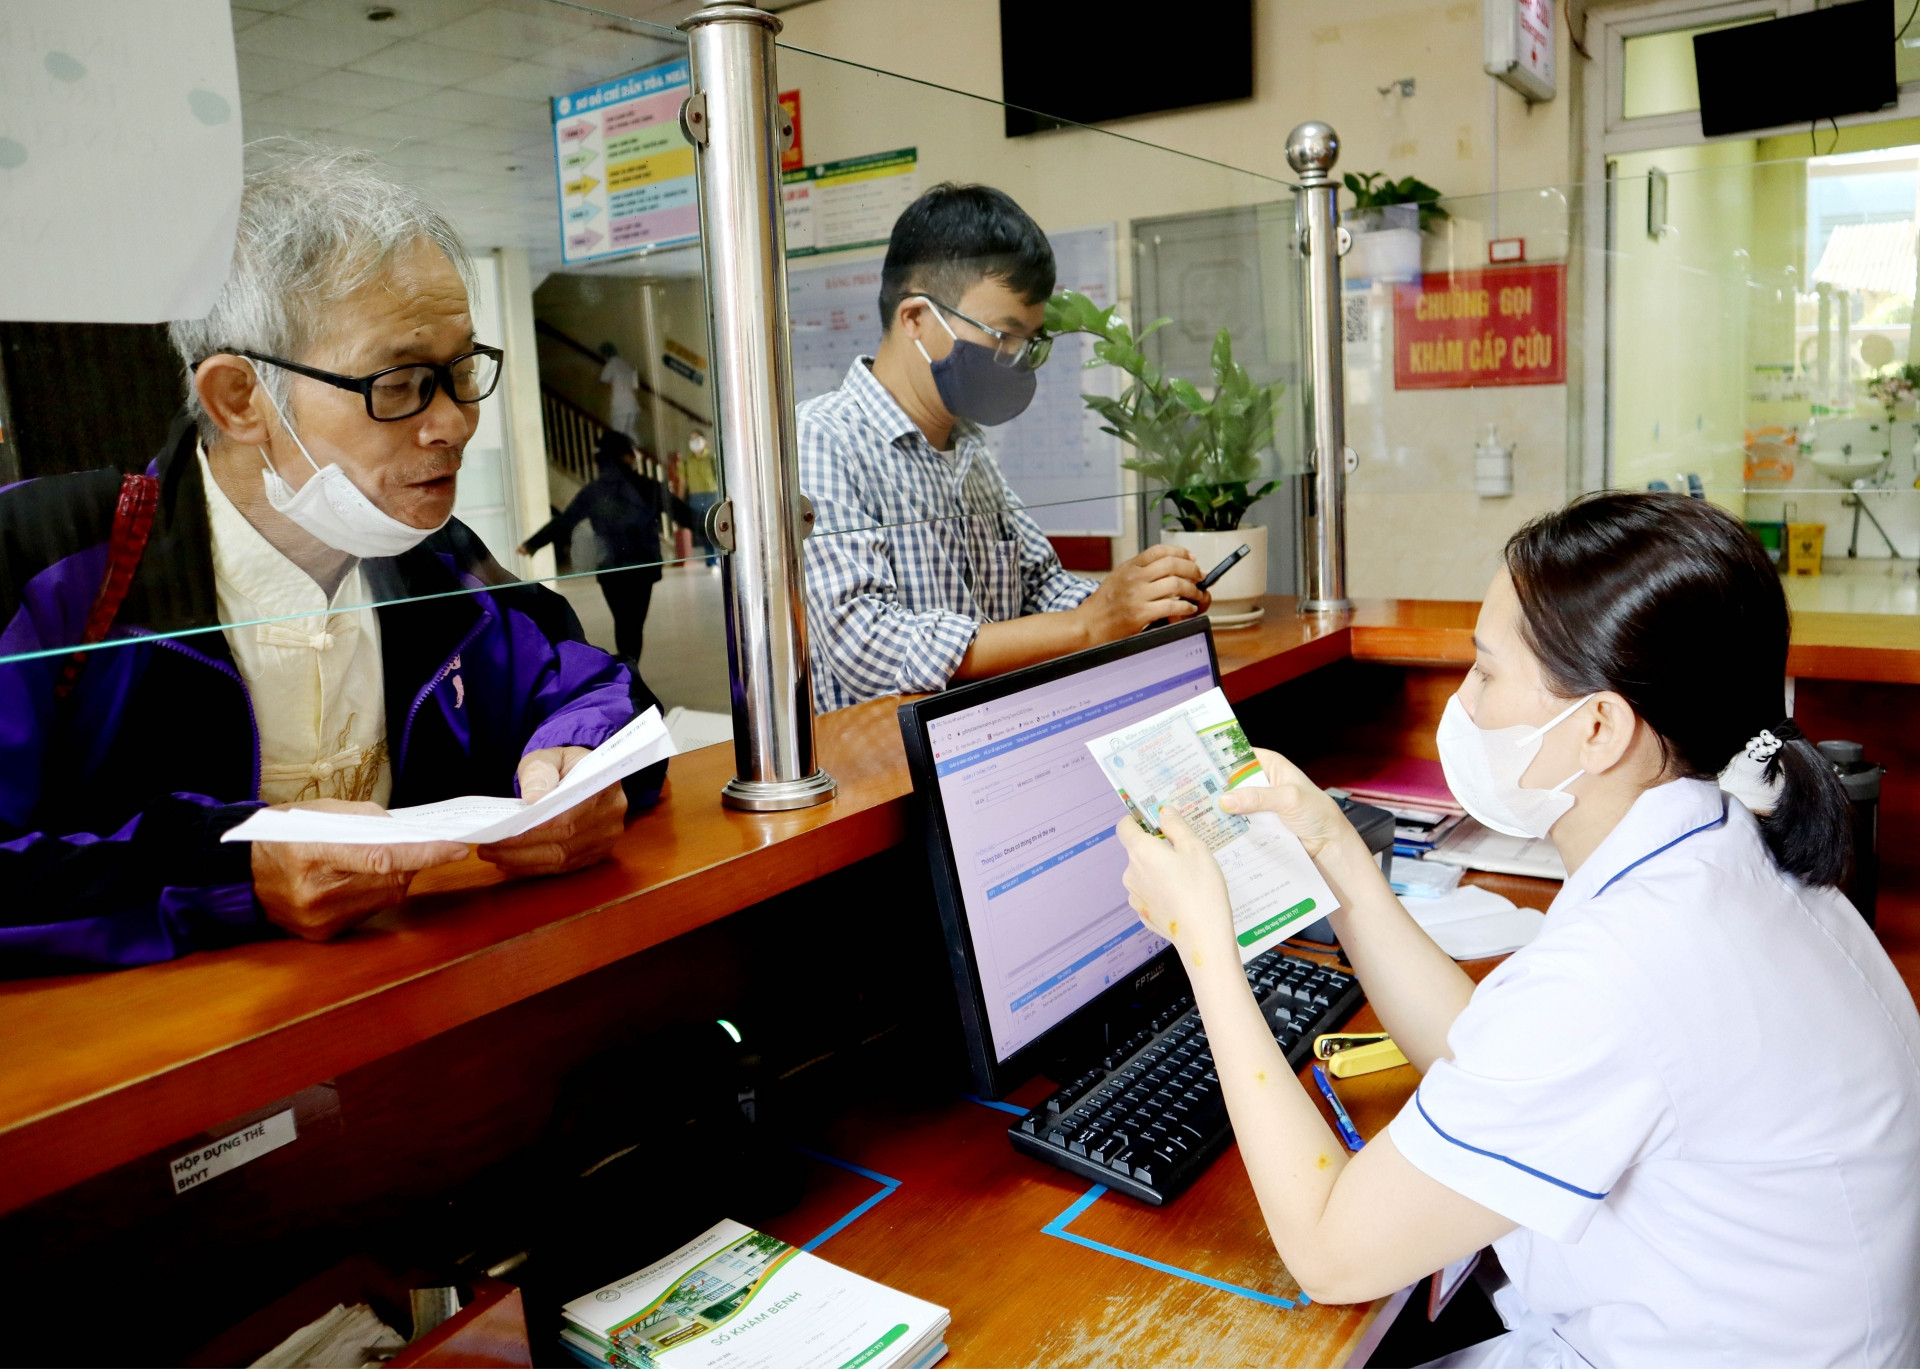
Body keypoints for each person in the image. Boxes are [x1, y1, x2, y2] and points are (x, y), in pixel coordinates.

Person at [1116, 492, 1920, 1366]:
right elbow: (1489, 1056)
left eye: (1486, 674)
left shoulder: (1627, 967)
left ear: (1602, 725)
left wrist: (1206, 945)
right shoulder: (1731, 843)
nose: (1462, 704)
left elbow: (1328, 1250)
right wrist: (1337, 858)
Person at [0, 148, 668, 973]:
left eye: (462, 371)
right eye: (399, 383)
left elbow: (602, 690)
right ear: (240, 398)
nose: (455, 423)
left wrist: (582, 767)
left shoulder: (437, 560)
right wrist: (234, 873)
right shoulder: (49, 559)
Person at [798, 182, 1209, 711]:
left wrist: (1138, 601)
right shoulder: (823, 440)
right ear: (916, 319)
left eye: (1028, 343)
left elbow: (1040, 588)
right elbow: (869, 647)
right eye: (1002, 335)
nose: (1014, 359)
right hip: (880, 774)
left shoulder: (969, 449)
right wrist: (1087, 624)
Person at [519, 430, 695, 667]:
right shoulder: (647, 486)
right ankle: (629, 670)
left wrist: (533, 544)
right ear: (626, 457)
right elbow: (683, 514)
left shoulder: (594, 491)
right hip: (642, 566)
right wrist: (717, 528)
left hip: (611, 568)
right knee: (633, 625)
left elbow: (566, 521)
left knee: (623, 623)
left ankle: (627, 670)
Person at [681, 430, 721, 571]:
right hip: (695, 497)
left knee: (713, 526)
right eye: (692, 439)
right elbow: (682, 481)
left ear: (704, 441)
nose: (694, 442)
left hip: (711, 494)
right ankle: (710, 558)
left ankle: (715, 557)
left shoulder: (712, 458)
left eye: (697, 439)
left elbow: (720, 477)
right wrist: (680, 500)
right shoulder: (687, 461)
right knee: (702, 529)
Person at [597, 341, 641, 441]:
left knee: (617, 433)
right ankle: (638, 453)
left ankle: (623, 454)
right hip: (632, 404)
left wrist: (607, 384)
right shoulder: (627, 365)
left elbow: (602, 380)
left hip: (620, 405)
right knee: (630, 431)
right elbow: (635, 386)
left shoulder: (611, 364)